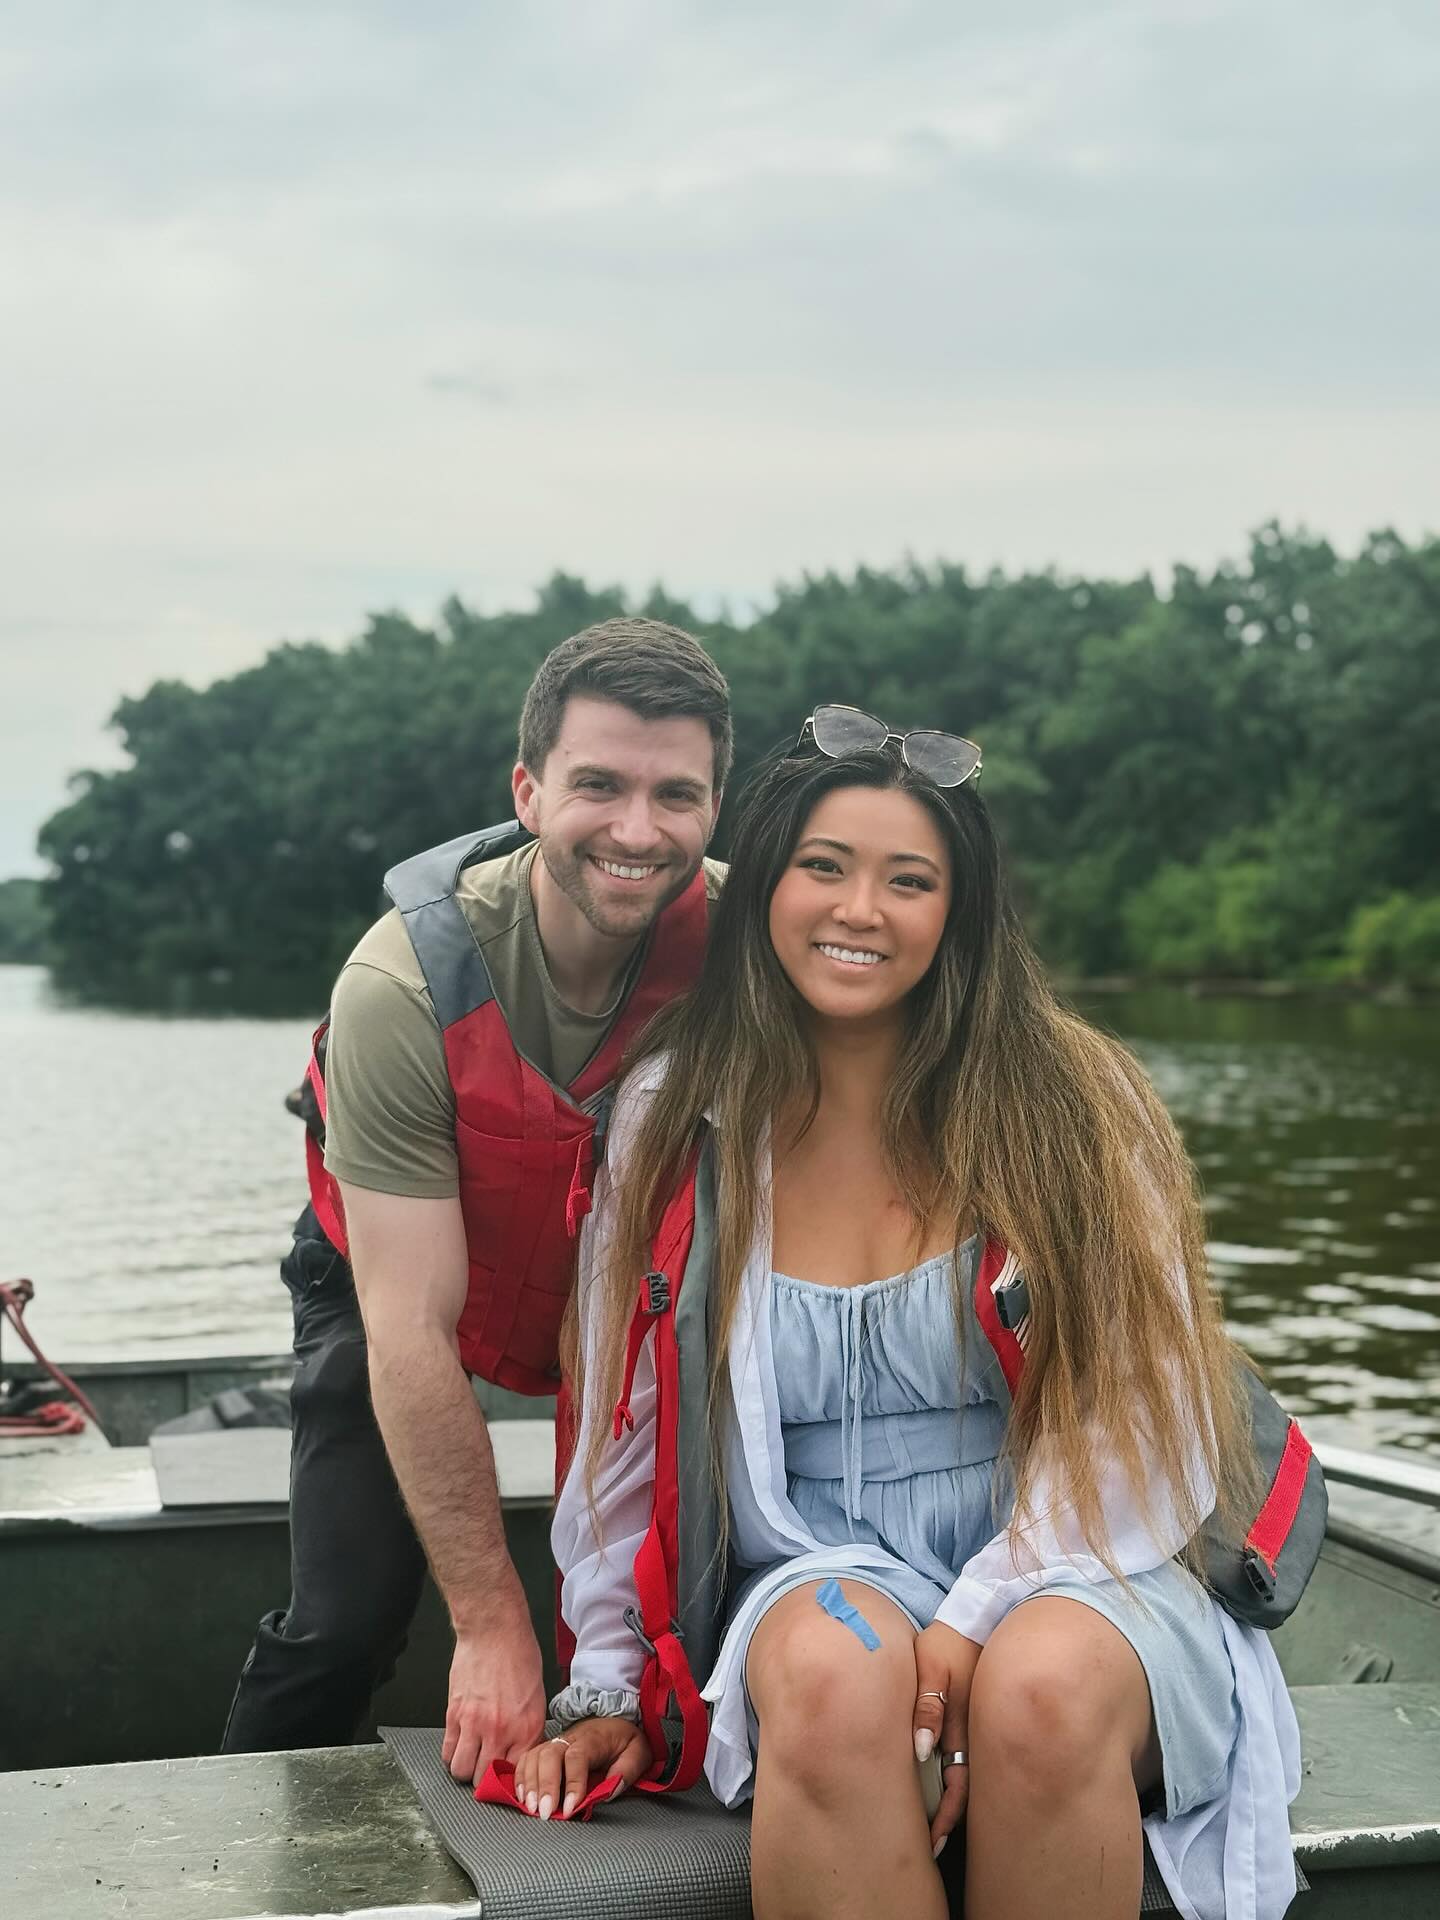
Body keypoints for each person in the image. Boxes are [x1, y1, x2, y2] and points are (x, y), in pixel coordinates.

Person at [516, 709, 1302, 1920]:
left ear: (960, 912)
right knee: (835, 1680)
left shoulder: (1078, 1103)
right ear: (767, 885)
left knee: (1037, 1689)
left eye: (909, 880)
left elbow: (1150, 1424)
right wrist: (606, 1685)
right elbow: (626, 1435)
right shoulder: (676, 1114)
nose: (858, 910)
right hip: (815, 1562)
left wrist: (979, 1617)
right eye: (823, 868)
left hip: (1085, 1549)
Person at [222, 617, 731, 1780]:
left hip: (634, 1306)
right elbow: (409, 1328)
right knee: (343, 1620)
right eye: (597, 785)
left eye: (677, 796)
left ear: (715, 808)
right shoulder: (401, 983)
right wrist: (494, 1624)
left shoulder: (756, 952)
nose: (637, 830)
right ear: (529, 789)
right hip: (396, 1289)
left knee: (711, 1602)